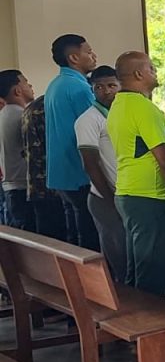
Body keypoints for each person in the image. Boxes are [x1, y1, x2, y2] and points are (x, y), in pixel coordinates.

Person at [107, 51, 165, 298]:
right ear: (139, 74)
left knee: (137, 269)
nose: (156, 72)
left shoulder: (119, 104)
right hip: (151, 197)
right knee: (153, 272)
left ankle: (135, 329)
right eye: (151, 68)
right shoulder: (142, 107)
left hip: (131, 193)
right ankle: (151, 331)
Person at [45, 34, 100, 249]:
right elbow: (94, 126)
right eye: (88, 51)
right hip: (79, 171)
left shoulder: (56, 84)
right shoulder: (79, 87)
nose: (93, 55)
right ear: (74, 58)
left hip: (62, 172)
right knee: (89, 237)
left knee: (74, 234)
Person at [74, 66, 126, 282]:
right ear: (92, 90)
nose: (106, 91)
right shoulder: (89, 119)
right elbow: (90, 164)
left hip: (126, 194)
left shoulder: (123, 113)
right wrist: (110, 197)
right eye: (99, 87)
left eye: (112, 85)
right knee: (119, 257)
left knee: (132, 254)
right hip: (105, 196)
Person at [21, 96, 65, 240]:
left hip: (37, 183)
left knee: (47, 239)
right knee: (58, 240)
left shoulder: (32, 107)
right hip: (52, 186)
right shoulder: (46, 108)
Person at [0, 70, 35, 231]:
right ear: (17, 90)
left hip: (10, 185)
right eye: (26, 82)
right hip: (22, 185)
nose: (30, 86)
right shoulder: (22, 116)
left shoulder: (3, 115)